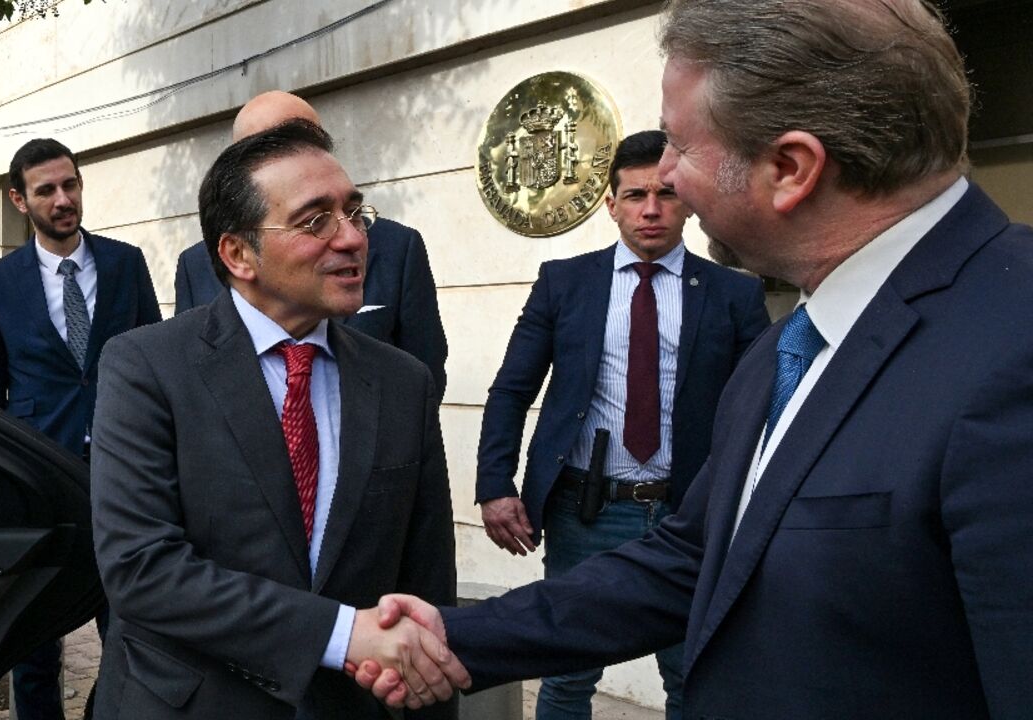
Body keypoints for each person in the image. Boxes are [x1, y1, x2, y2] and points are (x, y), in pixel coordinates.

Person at [353, 0, 1033, 717]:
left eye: (680, 146)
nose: (667, 181)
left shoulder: (1012, 350)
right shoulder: (788, 347)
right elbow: (692, 562)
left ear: (790, 167)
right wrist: (457, 636)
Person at [89, 119, 462, 720]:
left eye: (354, 213)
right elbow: (142, 570)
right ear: (238, 254)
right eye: (316, 221)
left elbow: (425, 584)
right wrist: (340, 634)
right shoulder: (146, 368)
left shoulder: (402, 382)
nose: (352, 239)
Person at [475, 129, 768, 719]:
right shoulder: (566, 283)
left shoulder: (734, 293)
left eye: (665, 194)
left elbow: (762, 403)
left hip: (691, 516)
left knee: (693, 677)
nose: (651, 209)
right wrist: (495, 486)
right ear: (611, 204)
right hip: (587, 510)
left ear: (686, 199)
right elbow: (512, 388)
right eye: (635, 195)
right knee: (566, 677)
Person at [0, 138, 162, 720]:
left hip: (123, 476)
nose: (63, 199)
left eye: (70, 184)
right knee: (33, 645)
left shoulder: (126, 265)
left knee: (129, 628)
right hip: (39, 483)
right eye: (46, 190)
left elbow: (155, 365)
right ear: (19, 201)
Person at [174, 91, 448, 397]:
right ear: (235, 255)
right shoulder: (195, 265)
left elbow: (424, 378)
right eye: (270, 149)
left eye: (307, 142)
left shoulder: (397, 247)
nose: (350, 240)